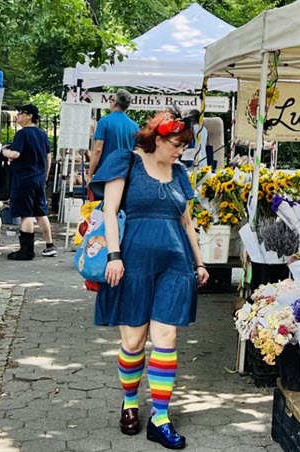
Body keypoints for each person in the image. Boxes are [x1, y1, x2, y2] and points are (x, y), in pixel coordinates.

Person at [92, 109, 208, 450]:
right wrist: (114, 255)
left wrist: (199, 263)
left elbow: (187, 222)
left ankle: (160, 417)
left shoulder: (180, 172)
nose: (179, 152)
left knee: (166, 336)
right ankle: (130, 404)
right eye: (175, 144)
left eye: (183, 147)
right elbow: (109, 211)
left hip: (175, 264)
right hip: (132, 264)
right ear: (157, 139)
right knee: (133, 342)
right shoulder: (124, 161)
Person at [3, 103, 55, 260]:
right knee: (41, 212)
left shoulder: (22, 134)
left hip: (24, 178)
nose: (18, 116)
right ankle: (49, 246)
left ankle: (26, 250)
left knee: (25, 214)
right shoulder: (42, 134)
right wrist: (45, 176)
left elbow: (16, 154)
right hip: (39, 178)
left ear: (29, 115)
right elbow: (48, 156)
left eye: (20, 113)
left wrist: (4, 150)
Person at [88, 90, 139, 182]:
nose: (110, 102)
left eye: (111, 99)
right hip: (126, 173)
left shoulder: (104, 122)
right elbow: (137, 152)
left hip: (106, 172)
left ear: (116, 103)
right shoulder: (135, 126)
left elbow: (97, 150)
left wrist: (90, 175)